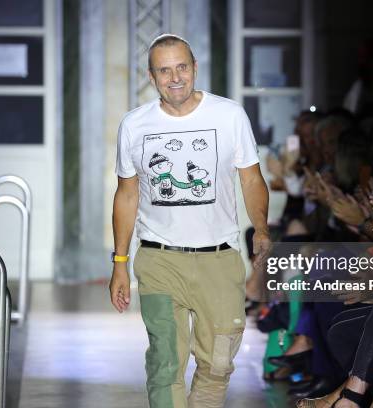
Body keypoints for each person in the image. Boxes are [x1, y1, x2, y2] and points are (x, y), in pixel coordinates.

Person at [110, 33, 271, 408]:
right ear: (152, 78)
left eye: (182, 67)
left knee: (217, 364)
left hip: (219, 258)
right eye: (164, 71)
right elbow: (127, 194)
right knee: (166, 364)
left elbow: (250, 177)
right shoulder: (135, 125)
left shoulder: (229, 115)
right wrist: (119, 263)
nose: (175, 77)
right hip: (159, 259)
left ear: (195, 68)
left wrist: (261, 228)